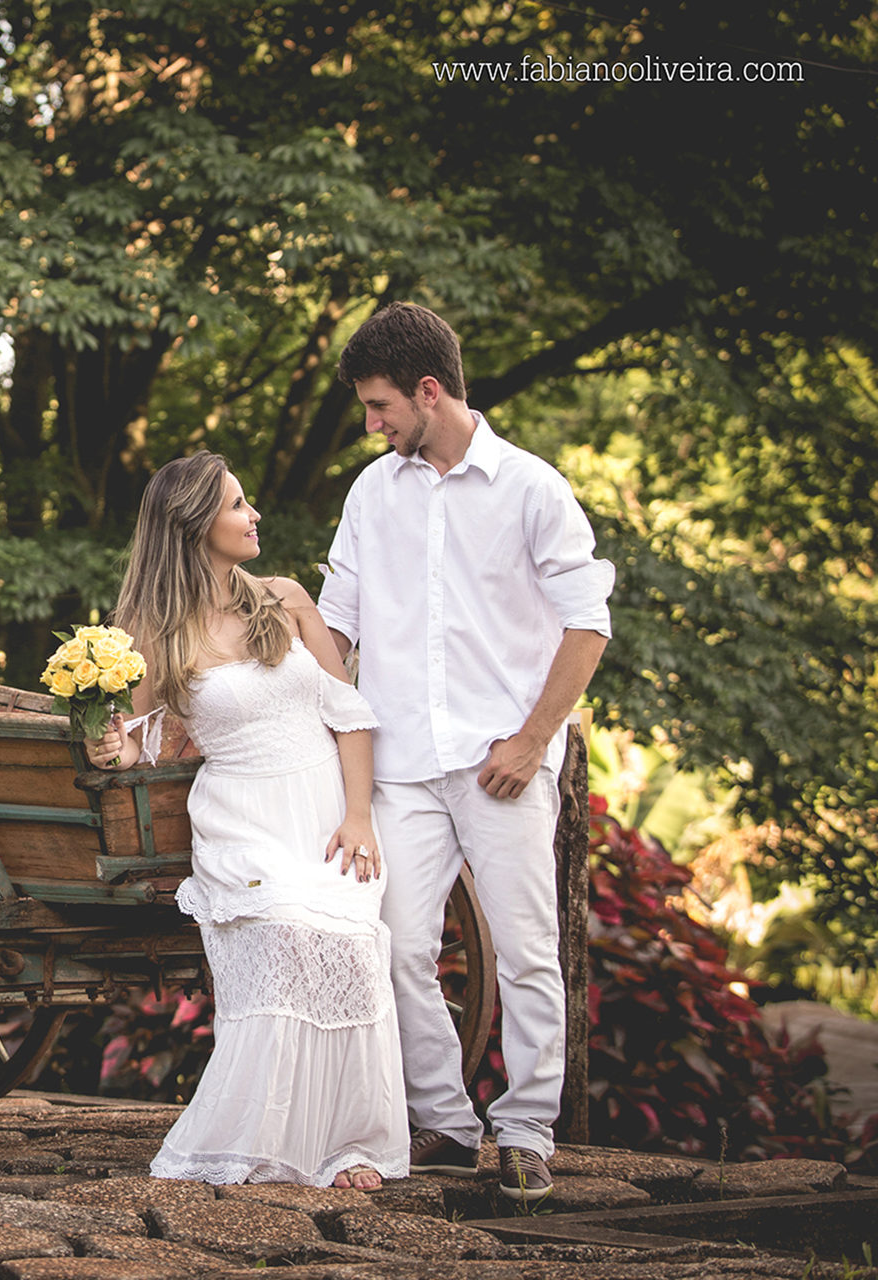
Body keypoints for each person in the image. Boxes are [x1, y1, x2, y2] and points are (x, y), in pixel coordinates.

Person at [317, 301, 614, 1203]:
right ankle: (442, 1118)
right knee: (395, 944)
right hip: (401, 765)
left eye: (380, 407)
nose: (373, 425)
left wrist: (533, 740)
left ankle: (526, 1129)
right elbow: (337, 626)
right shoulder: (373, 493)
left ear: (429, 390)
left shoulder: (531, 488)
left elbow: (588, 622)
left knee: (526, 949)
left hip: (501, 764)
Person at [86, 451, 407, 1191]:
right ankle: (259, 1142)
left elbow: (348, 713)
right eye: (237, 504)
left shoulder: (284, 599)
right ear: (195, 523)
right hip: (242, 817)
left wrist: (359, 815)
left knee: (355, 946)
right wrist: (110, 745)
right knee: (285, 930)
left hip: (324, 810)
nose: (253, 514)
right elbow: (137, 744)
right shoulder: (147, 629)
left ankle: (349, 1145)